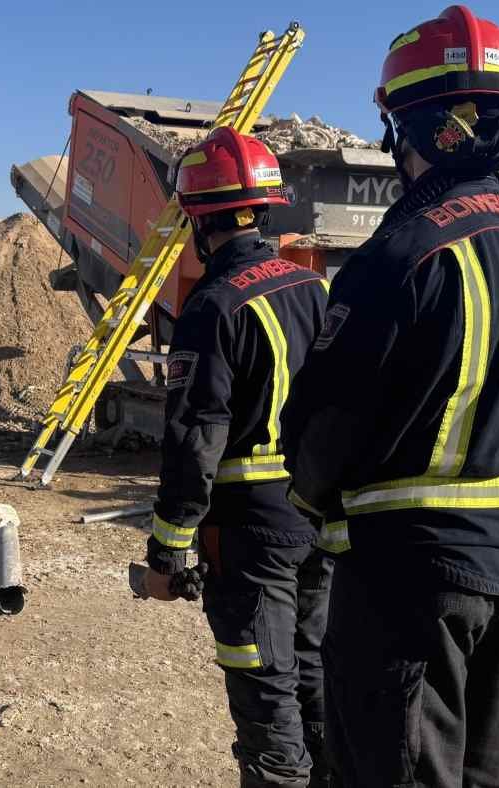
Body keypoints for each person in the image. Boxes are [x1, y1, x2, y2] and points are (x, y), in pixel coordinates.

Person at [280, 6, 499, 785]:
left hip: (408, 580)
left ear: (406, 128)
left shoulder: (401, 254)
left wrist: (316, 500)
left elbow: (324, 430)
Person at [139, 127, 334, 787]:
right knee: (314, 676)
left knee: (265, 693)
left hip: (251, 533)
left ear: (199, 220)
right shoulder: (311, 291)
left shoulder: (213, 305)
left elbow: (196, 434)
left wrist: (167, 548)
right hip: (315, 521)